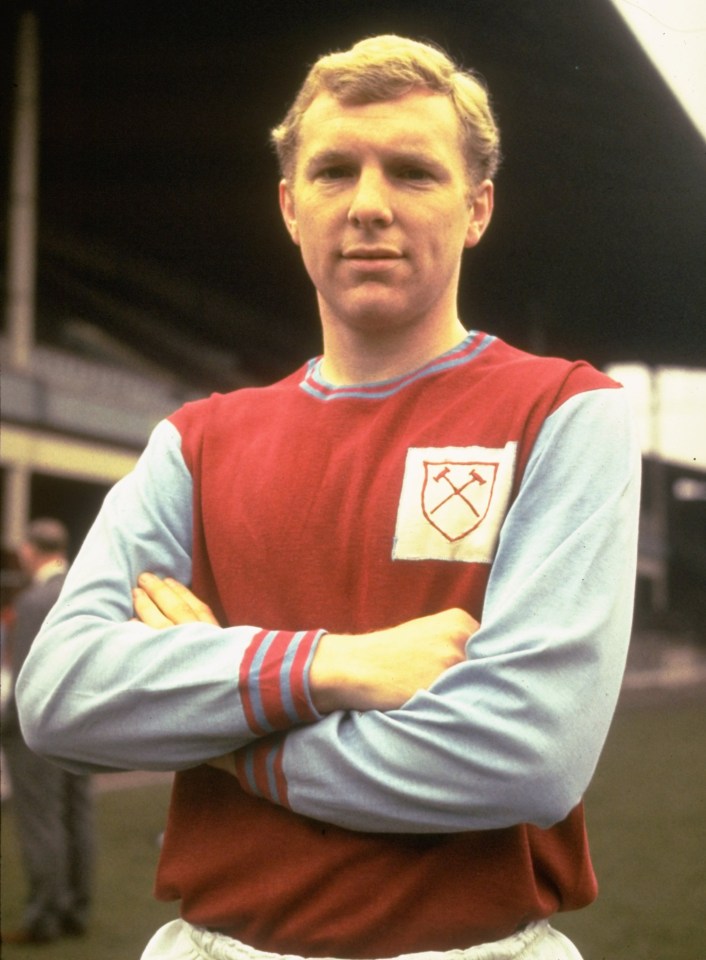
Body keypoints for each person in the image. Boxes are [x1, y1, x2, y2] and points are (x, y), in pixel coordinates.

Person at [16, 35, 640, 960]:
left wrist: (224, 739)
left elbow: (526, 755)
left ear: (478, 210)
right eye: (335, 171)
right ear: (289, 206)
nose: (370, 206)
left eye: (415, 173)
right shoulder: (195, 441)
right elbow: (62, 698)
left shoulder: (565, 410)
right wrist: (332, 666)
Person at [1, 518, 94, 944]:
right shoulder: (86, 592)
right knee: (76, 816)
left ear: (29, 551)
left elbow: (24, 680)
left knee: (41, 823)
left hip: (38, 729)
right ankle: (76, 907)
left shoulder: (35, 600)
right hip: (83, 723)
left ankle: (44, 916)